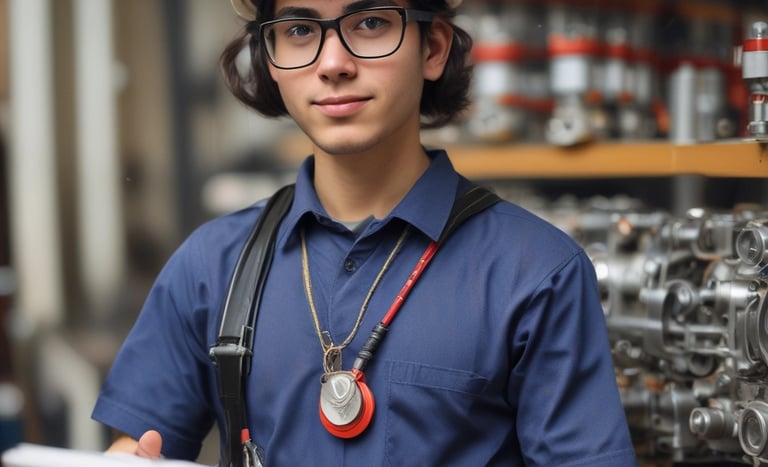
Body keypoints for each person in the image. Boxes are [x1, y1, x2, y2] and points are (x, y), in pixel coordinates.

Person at [93, 0, 638, 465]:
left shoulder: (537, 273)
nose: (333, 63)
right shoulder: (211, 266)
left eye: (370, 23)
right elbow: (137, 447)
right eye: (300, 30)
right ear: (270, 59)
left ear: (433, 48)